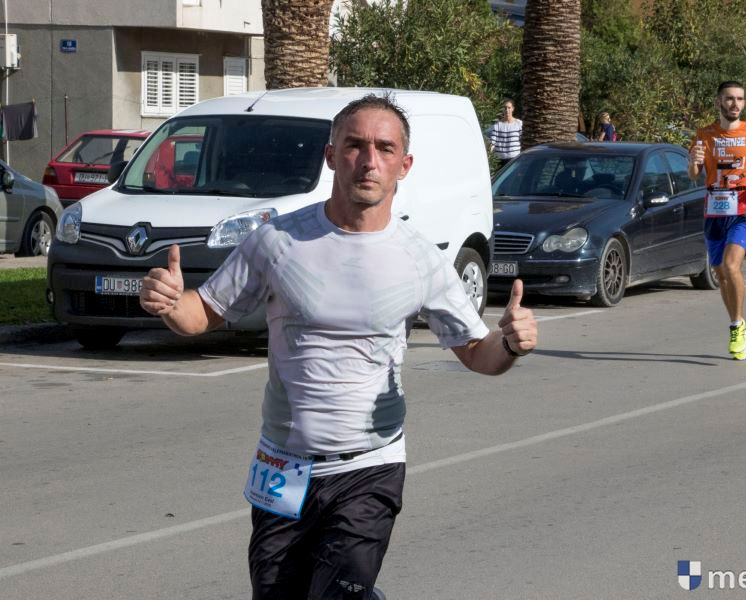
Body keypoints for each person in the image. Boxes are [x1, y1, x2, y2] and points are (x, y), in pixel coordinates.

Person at [138, 93, 539, 599]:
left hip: (369, 466)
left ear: (404, 165)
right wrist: (171, 303)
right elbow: (203, 312)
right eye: (354, 145)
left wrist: (510, 343)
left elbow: (479, 352)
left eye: (385, 149)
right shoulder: (278, 242)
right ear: (331, 156)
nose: (369, 160)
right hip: (283, 466)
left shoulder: (420, 260)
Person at [688, 81, 746, 360]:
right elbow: (694, 174)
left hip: (745, 209)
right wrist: (693, 160)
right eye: (729, 99)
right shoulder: (704, 134)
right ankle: (740, 325)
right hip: (715, 211)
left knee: (730, 265)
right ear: (719, 102)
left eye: (739, 99)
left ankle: (736, 327)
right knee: (721, 274)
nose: (735, 104)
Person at [487, 98, 523, 168]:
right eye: (505, 108)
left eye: (509, 108)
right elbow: (493, 142)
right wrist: (488, 156)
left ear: (513, 109)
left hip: (514, 160)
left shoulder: (519, 124)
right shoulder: (497, 125)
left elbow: (522, 141)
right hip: (499, 160)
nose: (507, 110)